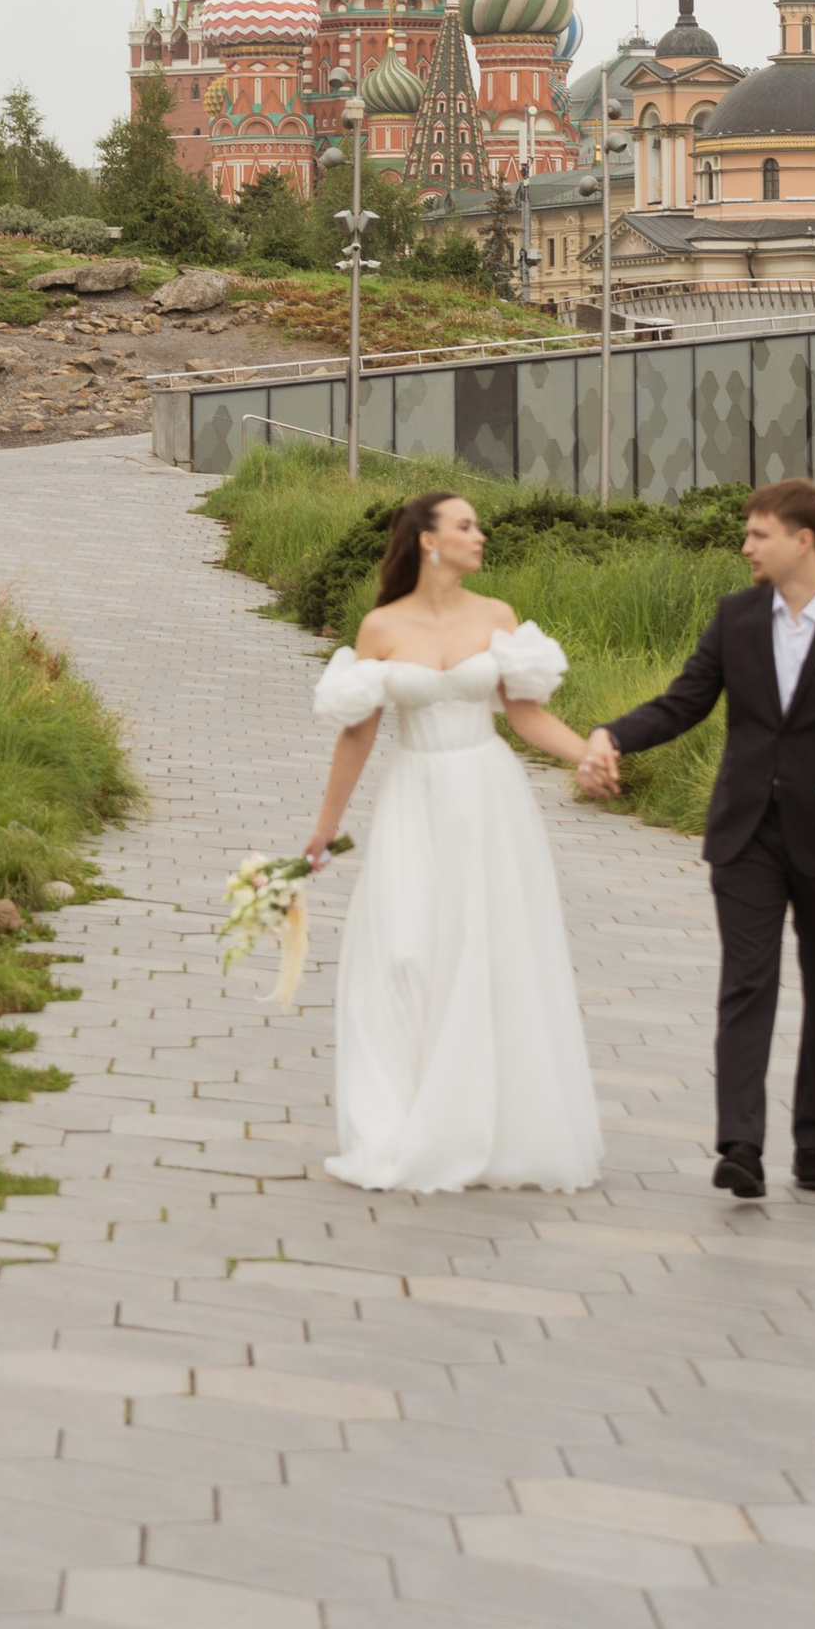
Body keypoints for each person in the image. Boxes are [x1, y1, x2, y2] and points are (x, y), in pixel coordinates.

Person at [576, 479, 815, 1200]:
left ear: (804, 540)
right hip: (747, 831)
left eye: (758, 534)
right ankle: (741, 1144)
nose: (745, 546)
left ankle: (813, 1141)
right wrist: (612, 735)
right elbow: (683, 702)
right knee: (747, 982)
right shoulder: (734, 619)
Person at [303, 489, 605, 1193]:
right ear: (429, 540)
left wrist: (585, 753)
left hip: (487, 797)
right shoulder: (381, 627)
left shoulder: (497, 618)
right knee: (405, 947)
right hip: (415, 794)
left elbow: (525, 715)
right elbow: (359, 730)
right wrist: (325, 826)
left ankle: (487, 1126)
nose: (482, 535)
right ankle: (396, 1122)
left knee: (484, 948)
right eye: (467, 525)